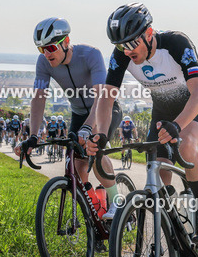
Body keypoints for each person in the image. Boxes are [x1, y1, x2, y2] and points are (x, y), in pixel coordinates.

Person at [83, 3, 198, 244]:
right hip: (163, 112)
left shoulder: (177, 43)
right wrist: (101, 135)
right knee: (156, 171)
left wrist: (178, 126)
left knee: (187, 144)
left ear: (148, 34)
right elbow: (106, 98)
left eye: (131, 43)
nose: (126, 51)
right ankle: (175, 233)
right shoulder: (122, 55)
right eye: (120, 45)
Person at [17, 17, 123, 216]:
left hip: (105, 108)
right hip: (78, 113)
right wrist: (33, 135)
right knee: (76, 165)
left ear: (66, 42)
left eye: (50, 48)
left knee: (94, 148)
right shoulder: (43, 63)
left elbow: (102, 97)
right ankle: (97, 214)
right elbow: (39, 99)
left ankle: (118, 203)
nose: (46, 54)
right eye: (41, 49)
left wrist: (89, 128)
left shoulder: (91, 54)